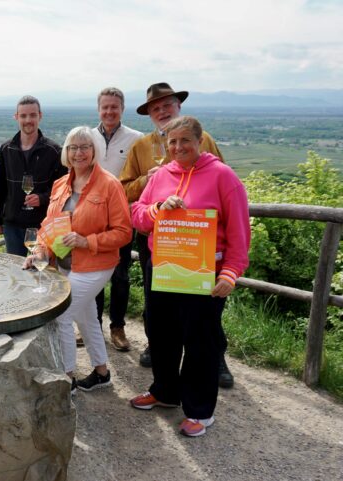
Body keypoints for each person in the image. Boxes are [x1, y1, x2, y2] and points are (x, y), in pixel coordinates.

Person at [129, 116, 250, 437]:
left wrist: (231, 272)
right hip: (165, 269)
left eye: (185, 141)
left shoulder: (223, 177)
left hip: (204, 275)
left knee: (200, 343)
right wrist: (157, 209)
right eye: (172, 141)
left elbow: (240, 233)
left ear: (200, 142)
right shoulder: (161, 176)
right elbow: (138, 216)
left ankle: (199, 410)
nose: (178, 147)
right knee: (161, 334)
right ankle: (166, 392)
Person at [119, 83, 233, 389]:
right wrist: (150, 179)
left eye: (167, 105)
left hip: (201, 243)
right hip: (157, 238)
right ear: (150, 114)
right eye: (156, 108)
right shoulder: (141, 147)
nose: (162, 111)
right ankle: (157, 351)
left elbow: (223, 181)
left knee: (203, 313)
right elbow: (127, 188)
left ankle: (215, 358)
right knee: (158, 303)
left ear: (178, 106)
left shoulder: (204, 138)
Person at [25, 126, 131, 392]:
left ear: (94, 150)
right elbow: (49, 224)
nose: (79, 153)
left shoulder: (110, 185)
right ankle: (102, 372)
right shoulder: (61, 184)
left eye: (85, 147)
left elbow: (123, 232)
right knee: (86, 318)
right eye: (73, 147)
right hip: (64, 262)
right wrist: (39, 250)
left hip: (95, 264)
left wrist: (87, 241)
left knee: (62, 316)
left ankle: (67, 377)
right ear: (66, 152)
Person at [91, 87, 143, 352]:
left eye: (114, 107)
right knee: (95, 273)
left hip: (123, 217)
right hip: (93, 218)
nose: (109, 111)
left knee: (120, 275)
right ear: (98, 109)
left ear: (122, 108)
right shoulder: (88, 137)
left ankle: (118, 327)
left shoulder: (137, 139)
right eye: (105, 107)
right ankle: (93, 325)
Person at [0, 95, 68, 256]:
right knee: (16, 271)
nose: (28, 120)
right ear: (16, 117)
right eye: (23, 116)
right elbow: (0, 187)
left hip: (40, 224)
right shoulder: (6, 149)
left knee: (40, 271)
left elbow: (62, 190)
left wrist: (42, 198)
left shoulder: (54, 151)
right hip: (12, 224)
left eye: (33, 115)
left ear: (40, 116)